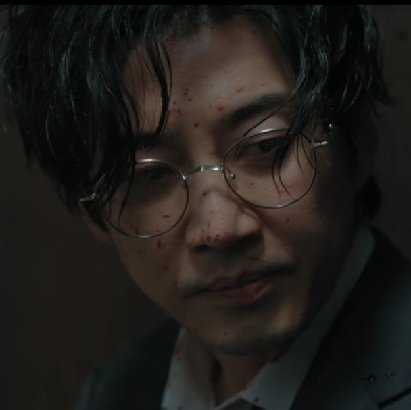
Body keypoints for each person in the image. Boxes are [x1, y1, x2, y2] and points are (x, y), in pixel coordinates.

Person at [1, 5, 411, 410]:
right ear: (94, 214)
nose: (219, 229)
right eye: (148, 175)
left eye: (266, 146)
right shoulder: (113, 393)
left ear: (357, 141)